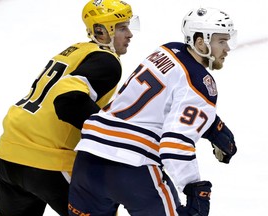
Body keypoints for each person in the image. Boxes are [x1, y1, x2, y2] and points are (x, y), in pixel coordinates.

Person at [68, 7, 237, 216]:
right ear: (200, 42)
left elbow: (161, 101)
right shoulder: (202, 84)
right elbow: (174, 147)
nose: (227, 48)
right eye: (221, 41)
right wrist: (195, 188)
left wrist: (209, 124)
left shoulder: (166, 50)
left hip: (88, 160)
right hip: (133, 169)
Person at [0, 0, 139, 215]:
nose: (130, 34)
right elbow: (68, 100)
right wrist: (109, 136)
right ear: (101, 31)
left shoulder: (75, 50)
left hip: (8, 154)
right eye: (122, 28)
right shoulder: (107, 61)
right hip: (46, 161)